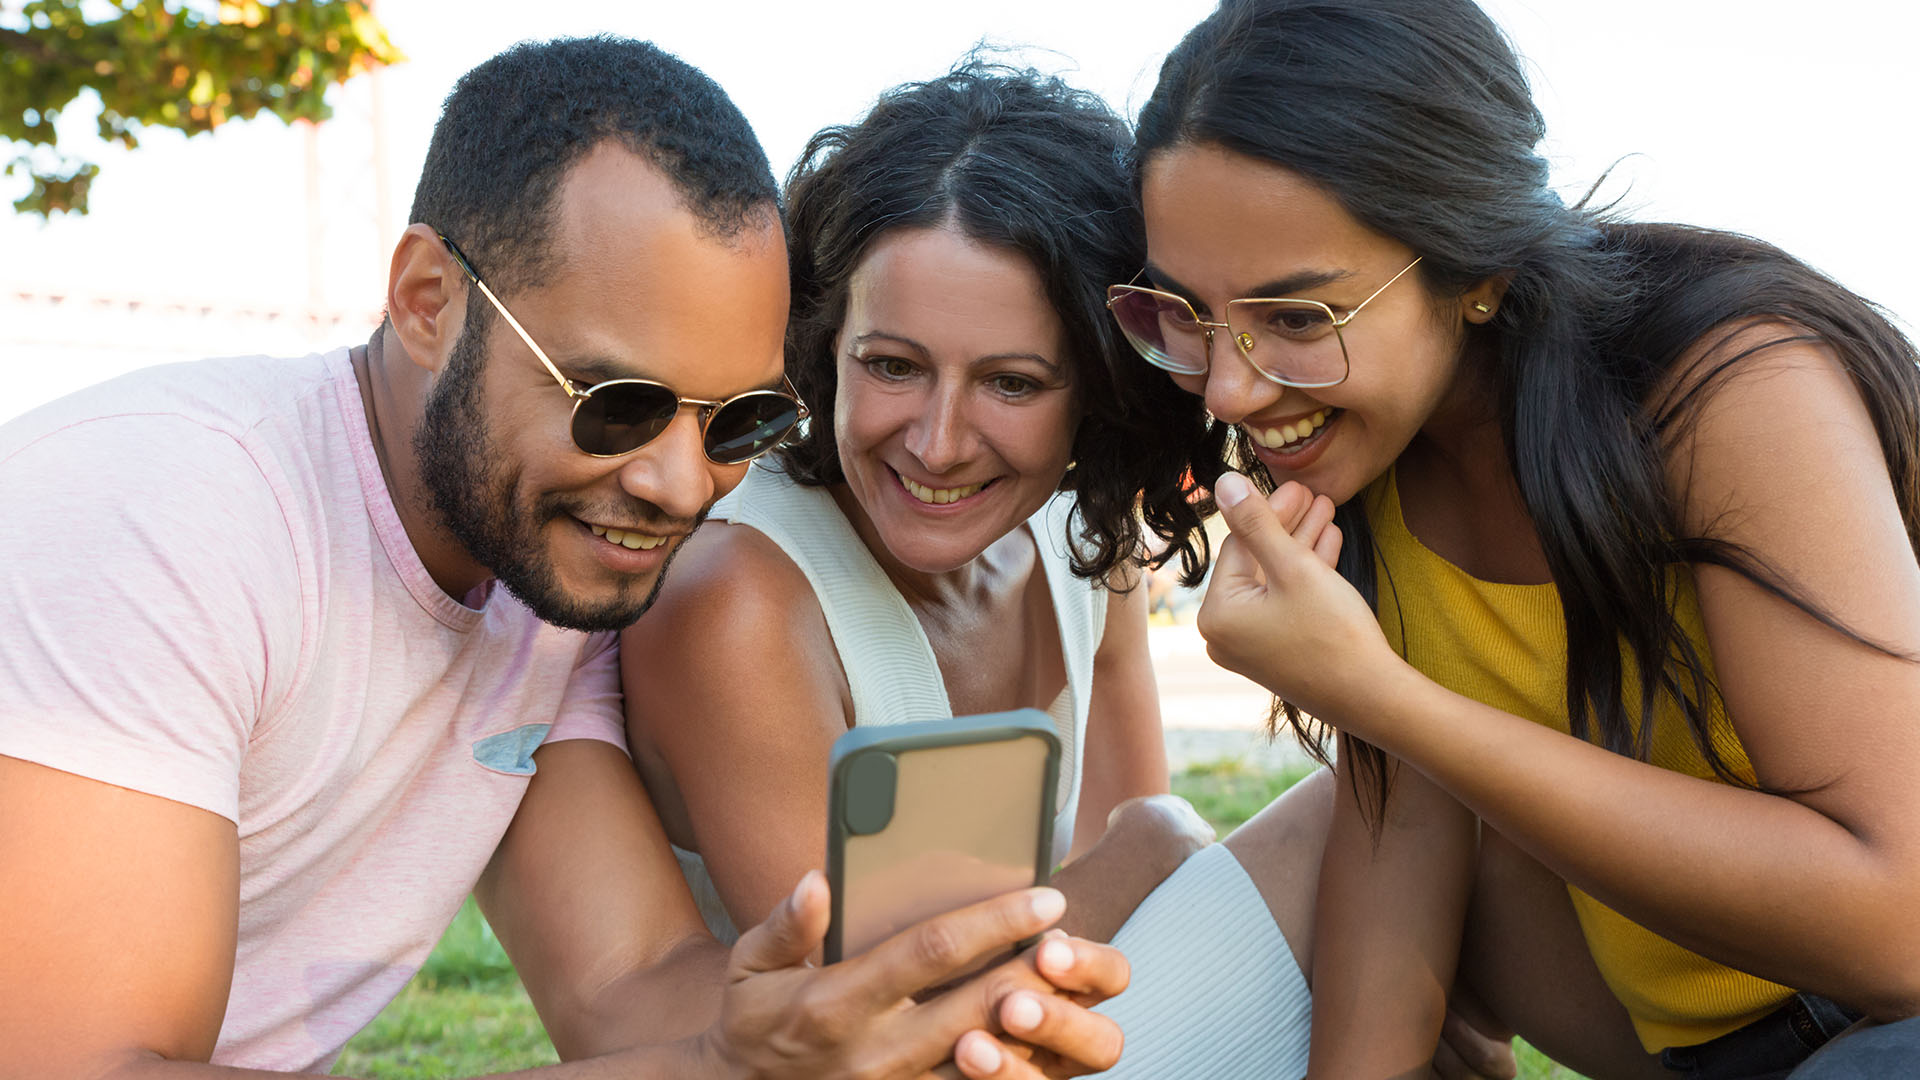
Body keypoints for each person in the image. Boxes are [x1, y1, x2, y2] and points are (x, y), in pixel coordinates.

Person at [0, 37, 1131, 1080]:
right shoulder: (164, 518)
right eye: (617, 401)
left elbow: (627, 983)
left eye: (736, 422)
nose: (679, 485)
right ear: (428, 302)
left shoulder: (549, 576)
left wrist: (862, 1017)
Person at [1107, 0, 1920, 1076]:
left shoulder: (1725, 386)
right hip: (1682, 1038)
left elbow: (1898, 927)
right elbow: (1404, 839)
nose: (1229, 387)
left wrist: (1383, 696)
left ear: (1479, 270)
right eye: (1189, 315)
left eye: (1299, 318)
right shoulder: (1371, 452)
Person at [620, 60, 1221, 952]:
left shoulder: (1085, 540)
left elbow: (1134, 947)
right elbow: (879, 1011)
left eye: (1011, 383)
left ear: (1097, 388)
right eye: (893, 366)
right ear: (823, 349)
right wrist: (1158, 840)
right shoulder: (735, 597)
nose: (938, 444)